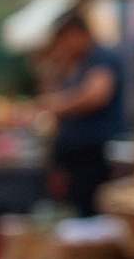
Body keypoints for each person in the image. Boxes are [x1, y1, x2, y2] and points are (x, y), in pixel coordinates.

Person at [37, 12, 127, 217]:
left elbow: (96, 96)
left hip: (97, 157)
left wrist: (56, 105)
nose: (62, 45)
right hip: (80, 162)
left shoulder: (102, 58)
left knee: (97, 213)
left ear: (78, 34)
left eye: (64, 39)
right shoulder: (78, 64)